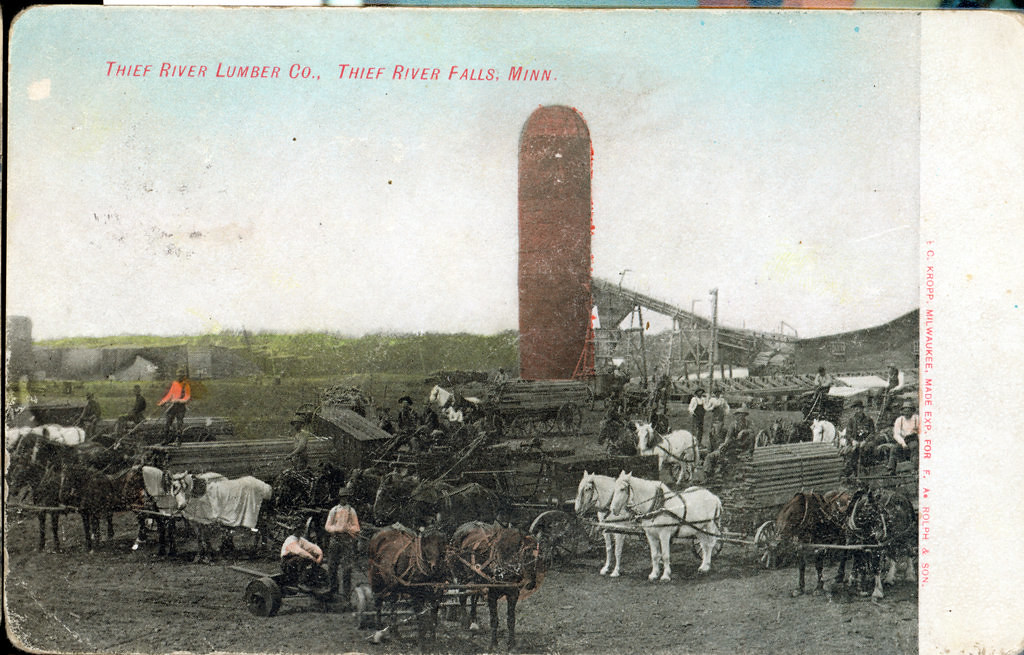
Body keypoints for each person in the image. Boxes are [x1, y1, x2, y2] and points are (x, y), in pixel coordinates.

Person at [324, 486, 361, 606]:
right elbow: (327, 526)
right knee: (332, 567)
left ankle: (346, 596)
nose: (344, 499)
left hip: (346, 542)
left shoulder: (352, 511)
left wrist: (349, 528)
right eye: (342, 497)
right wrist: (338, 528)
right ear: (339, 498)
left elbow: (357, 528)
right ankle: (332, 591)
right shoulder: (334, 510)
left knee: (347, 569)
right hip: (335, 540)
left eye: (346, 497)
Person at [703, 405, 753, 478]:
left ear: (744, 415)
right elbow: (728, 437)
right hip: (736, 444)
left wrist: (743, 431)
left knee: (751, 435)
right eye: (738, 415)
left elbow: (752, 430)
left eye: (742, 415)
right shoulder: (733, 425)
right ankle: (710, 473)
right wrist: (724, 444)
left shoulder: (748, 423)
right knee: (722, 451)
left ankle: (749, 454)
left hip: (746, 443)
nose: (740, 417)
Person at [280, 529, 327, 593]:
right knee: (302, 559)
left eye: (301, 531)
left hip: (295, 562)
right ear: (294, 531)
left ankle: (314, 578)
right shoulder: (290, 540)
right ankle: (301, 583)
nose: (300, 532)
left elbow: (313, 547)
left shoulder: (301, 540)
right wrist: (313, 558)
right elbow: (300, 551)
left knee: (312, 556)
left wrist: (320, 555)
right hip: (286, 563)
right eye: (298, 530)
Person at [841, 400, 876, 476]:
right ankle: (851, 472)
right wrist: (853, 440)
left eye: (858, 409)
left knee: (866, 452)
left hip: (866, 442)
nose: (857, 411)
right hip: (855, 442)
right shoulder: (852, 420)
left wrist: (865, 441)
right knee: (850, 452)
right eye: (855, 409)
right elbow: (848, 434)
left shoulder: (869, 420)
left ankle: (864, 473)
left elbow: (872, 433)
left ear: (862, 409)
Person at [885, 400, 919, 474]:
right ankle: (891, 469)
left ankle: (914, 468)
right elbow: (896, 434)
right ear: (902, 411)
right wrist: (903, 443)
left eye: (909, 410)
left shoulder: (917, 419)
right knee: (894, 449)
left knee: (914, 447)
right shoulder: (899, 420)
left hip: (913, 438)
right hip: (903, 439)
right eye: (905, 411)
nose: (907, 413)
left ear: (912, 411)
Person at [158, 370, 191, 444]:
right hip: (173, 406)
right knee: (168, 422)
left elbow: (187, 397)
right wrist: (162, 402)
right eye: (178, 376)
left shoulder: (186, 385)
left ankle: (178, 440)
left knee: (179, 423)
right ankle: (166, 439)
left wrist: (179, 400)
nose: (179, 377)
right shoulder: (174, 384)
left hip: (181, 407)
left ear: (184, 377)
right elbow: (169, 395)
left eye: (181, 376)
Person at [704, 388, 730, 452]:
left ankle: (717, 446)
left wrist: (726, 412)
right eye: (716, 393)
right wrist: (712, 407)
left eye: (718, 392)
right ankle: (711, 447)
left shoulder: (722, 400)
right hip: (714, 417)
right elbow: (707, 408)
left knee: (719, 431)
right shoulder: (712, 400)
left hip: (721, 417)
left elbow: (727, 407)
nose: (717, 394)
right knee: (713, 432)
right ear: (714, 393)